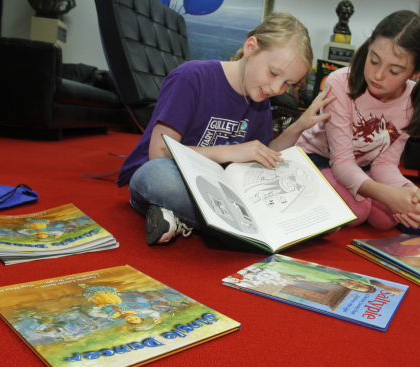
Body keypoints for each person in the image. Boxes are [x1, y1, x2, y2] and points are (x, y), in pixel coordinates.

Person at [117, 13, 335, 247]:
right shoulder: (192, 77)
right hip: (163, 175)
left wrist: (301, 124)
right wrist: (231, 152)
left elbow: (263, 153)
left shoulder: (260, 102)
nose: (275, 88)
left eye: (287, 84)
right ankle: (258, 234)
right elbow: (159, 152)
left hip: (214, 188)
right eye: (273, 73)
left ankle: (184, 221)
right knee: (159, 176)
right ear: (251, 47)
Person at [295, 10, 420, 230]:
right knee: (360, 212)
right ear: (369, 46)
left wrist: (409, 191)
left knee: (386, 220)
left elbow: (385, 162)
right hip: (316, 158)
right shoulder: (341, 83)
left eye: (394, 71)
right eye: (374, 60)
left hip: (361, 165)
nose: (378, 75)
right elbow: (341, 161)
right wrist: (386, 194)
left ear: (417, 72)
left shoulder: (414, 101)